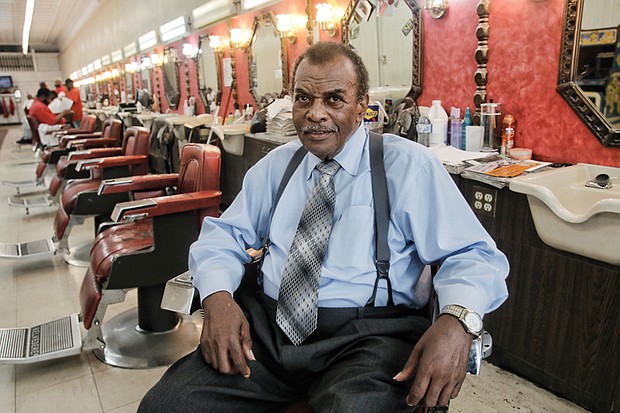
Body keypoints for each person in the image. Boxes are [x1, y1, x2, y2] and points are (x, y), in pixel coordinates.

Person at [139, 42, 509, 413]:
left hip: (369, 340)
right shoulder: (276, 166)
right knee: (167, 405)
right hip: (268, 333)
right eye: (303, 98)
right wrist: (217, 298)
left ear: (363, 105)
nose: (315, 114)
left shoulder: (407, 167)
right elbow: (223, 236)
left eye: (334, 99)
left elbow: (473, 254)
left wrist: (458, 321)